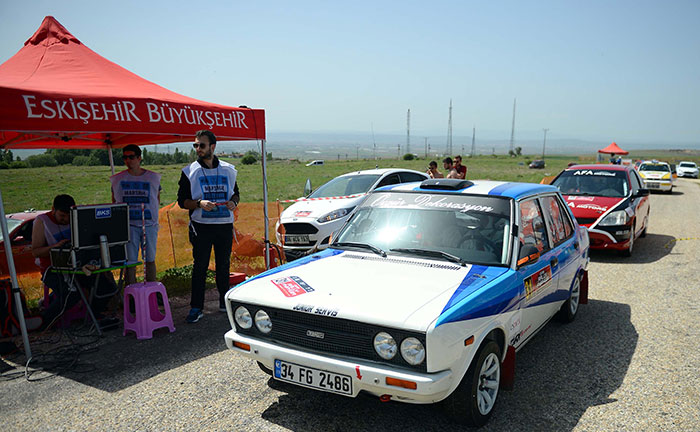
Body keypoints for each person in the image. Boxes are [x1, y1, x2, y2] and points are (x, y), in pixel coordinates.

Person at [177, 130, 239, 323]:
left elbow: (236, 194)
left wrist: (233, 203)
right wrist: (199, 203)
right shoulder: (189, 171)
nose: (198, 149)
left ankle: (224, 302)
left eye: (201, 145)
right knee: (200, 267)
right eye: (195, 145)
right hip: (201, 227)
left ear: (213, 147)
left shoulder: (229, 169)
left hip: (224, 226)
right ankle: (196, 307)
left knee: (223, 266)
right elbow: (181, 201)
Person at [32, 194, 117, 328]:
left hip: (79, 266)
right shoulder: (42, 221)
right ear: (53, 209)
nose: (66, 220)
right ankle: (44, 321)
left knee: (107, 287)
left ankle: (94, 315)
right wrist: (54, 247)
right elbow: (36, 251)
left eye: (68, 216)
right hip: (53, 269)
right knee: (71, 295)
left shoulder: (77, 216)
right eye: (62, 216)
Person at [110, 144, 161, 285]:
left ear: (139, 158)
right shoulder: (118, 179)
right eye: (125, 157)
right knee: (130, 262)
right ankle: (131, 294)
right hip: (129, 226)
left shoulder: (152, 177)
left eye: (131, 157)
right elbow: (114, 200)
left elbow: (157, 198)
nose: (128, 160)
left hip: (149, 225)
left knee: (150, 259)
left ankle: (151, 292)